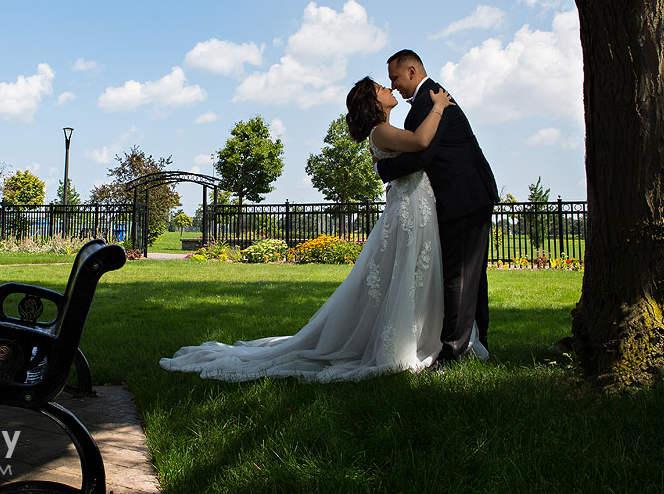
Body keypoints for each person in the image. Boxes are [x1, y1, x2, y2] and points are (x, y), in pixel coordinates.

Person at [159, 79, 457, 382]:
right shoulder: (380, 131)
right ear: (372, 102)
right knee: (405, 271)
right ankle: (403, 341)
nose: (389, 89)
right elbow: (421, 142)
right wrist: (438, 107)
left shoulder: (386, 131)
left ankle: (417, 333)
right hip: (408, 209)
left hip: (413, 206)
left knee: (409, 271)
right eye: (381, 88)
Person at [378, 49, 498, 364]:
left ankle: (453, 352)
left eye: (395, 78)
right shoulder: (429, 100)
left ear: (412, 71)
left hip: (464, 195)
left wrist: (382, 169)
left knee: (459, 274)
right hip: (469, 194)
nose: (394, 85)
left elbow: (421, 155)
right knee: (472, 275)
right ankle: (478, 344)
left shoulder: (430, 100)